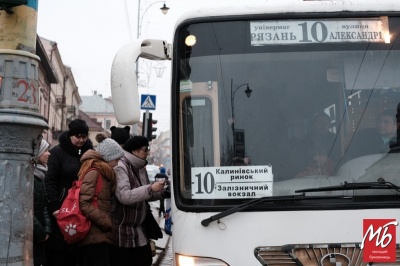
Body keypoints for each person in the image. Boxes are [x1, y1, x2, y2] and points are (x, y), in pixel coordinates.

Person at [110, 136, 168, 266]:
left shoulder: (140, 167)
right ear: (135, 151)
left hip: (140, 232)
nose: (147, 152)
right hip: (122, 235)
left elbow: (145, 194)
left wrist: (163, 192)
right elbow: (125, 196)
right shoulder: (121, 167)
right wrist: (150, 188)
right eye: (145, 149)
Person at [45, 119, 93, 266]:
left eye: (84, 136)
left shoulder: (89, 153)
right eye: (78, 136)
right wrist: (54, 207)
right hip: (62, 209)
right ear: (70, 135)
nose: (81, 140)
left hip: (82, 209)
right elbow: (50, 180)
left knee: (80, 252)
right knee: (61, 251)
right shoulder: (57, 153)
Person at [78, 133, 125, 266]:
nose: (117, 163)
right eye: (116, 160)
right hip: (93, 234)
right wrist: (105, 221)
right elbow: (84, 202)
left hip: (99, 234)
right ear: (107, 158)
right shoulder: (94, 172)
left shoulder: (105, 173)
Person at [294, 113, 340, 177]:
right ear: (314, 125)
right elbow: (299, 158)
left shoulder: (335, 139)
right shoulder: (305, 139)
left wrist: (328, 160)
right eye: (320, 123)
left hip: (331, 175)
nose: (322, 126)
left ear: (329, 126)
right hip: (308, 175)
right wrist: (313, 158)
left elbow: (340, 157)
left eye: (325, 124)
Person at [33, 139, 52, 266]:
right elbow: (25, 210)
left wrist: (47, 229)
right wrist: (41, 233)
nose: (49, 153)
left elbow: (44, 205)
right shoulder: (31, 177)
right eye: (45, 150)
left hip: (38, 236)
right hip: (32, 237)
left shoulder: (40, 175)